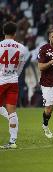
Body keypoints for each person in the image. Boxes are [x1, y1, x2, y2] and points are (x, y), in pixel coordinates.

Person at [0, 21, 29, 149]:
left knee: (6, 110)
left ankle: (11, 121)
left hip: (1, 80)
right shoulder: (22, 48)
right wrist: (14, 75)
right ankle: (12, 141)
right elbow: (21, 67)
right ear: (15, 33)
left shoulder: (0, 46)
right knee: (12, 111)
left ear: (3, 32)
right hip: (13, 80)